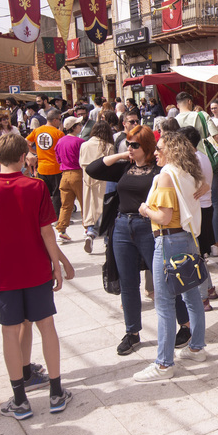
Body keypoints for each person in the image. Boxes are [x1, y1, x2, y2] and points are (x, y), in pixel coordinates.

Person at [0, 134, 74, 419]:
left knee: (9, 330)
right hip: (36, 269)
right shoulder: (36, 186)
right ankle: (56, 392)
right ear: (23, 158)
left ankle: (20, 398)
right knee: (47, 327)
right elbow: (47, 231)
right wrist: (57, 264)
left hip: (3, 271)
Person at [133, 132, 210, 381]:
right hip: (187, 238)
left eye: (159, 148)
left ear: (172, 151)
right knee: (191, 296)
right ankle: (196, 348)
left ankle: (164, 364)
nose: (155, 152)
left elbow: (164, 217)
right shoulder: (188, 172)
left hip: (168, 240)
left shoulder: (167, 175)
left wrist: (145, 210)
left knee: (164, 303)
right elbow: (204, 186)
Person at [86, 126, 161, 355]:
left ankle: (184, 325)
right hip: (121, 227)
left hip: (148, 226)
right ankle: (132, 332)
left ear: (146, 146)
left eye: (135, 144)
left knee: (162, 279)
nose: (130, 148)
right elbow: (93, 168)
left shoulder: (159, 170)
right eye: (128, 143)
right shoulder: (125, 168)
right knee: (128, 284)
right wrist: (121, 155)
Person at [173, 92, 218, 258]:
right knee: (212, 201)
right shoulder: (201, 115)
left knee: (189, 201)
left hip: (184, 164)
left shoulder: (174, 119)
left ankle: (195, 244)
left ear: (178, 104)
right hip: (204, 160)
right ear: (190, 102)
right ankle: (214, 243)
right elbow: (216, 135)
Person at [178, 126, 218, 308]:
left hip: (199, 211)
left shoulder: (192, 160)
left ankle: (203, 298)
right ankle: (209, 289)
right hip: (204, 208)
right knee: (199, 253)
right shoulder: (202, 156)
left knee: (196, 256)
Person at [79, 120, 115, 254]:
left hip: (88, 181)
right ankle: (106, 240)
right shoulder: (108, 146)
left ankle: (90, 233)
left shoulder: (84, 145)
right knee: (105, 208)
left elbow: (80, 163)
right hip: (104, 181)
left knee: (90, 208)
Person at [26, 108, 65, 218]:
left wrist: (35, 152)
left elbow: (26, 143)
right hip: (56, 167)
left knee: (44, 195)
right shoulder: (58, 133)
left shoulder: (37, 130)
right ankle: (57, 217)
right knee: (57, 194)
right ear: (55, 120)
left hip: (42, 167)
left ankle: (45, 216)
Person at [54, 117, 85, 243]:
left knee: (66, 205)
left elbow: (58, 159)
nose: (81, 125)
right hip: (78, 173)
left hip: (64, 174)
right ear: (74, 127)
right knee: (84, 204)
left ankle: (61, 230)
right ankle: (87, 229)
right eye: (79, 124)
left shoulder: (60, 142)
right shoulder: (80, 142)